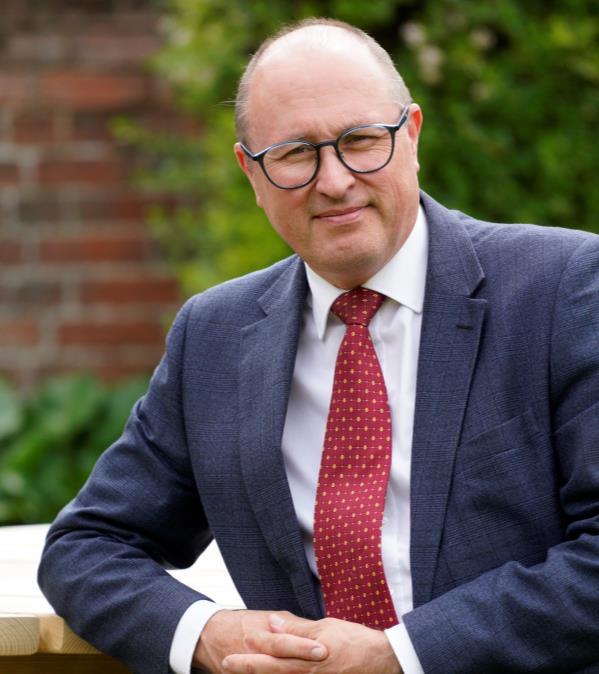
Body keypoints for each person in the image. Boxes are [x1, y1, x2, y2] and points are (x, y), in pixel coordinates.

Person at [39, 17, 599, 674]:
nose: (334, 181)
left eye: (361, 140)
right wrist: (208, 634)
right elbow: (86, 546)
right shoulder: (214, 337)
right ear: (251, 173)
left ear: (412, 135)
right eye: (296, 153)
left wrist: (399, 656)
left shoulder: (563, 288)